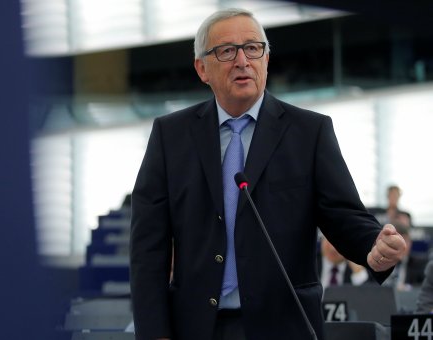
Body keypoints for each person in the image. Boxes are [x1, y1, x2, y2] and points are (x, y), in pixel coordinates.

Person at [129, 8, 407, 340]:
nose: (242, 60)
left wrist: (373, 249)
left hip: (284, 325)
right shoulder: (170, 135)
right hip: (197, 327)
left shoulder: (309, 131)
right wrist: (155, 333)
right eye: (227, 51)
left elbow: (342, 215)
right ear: (202, 68)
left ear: (266, 58)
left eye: (253, 48)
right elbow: (147, 248)